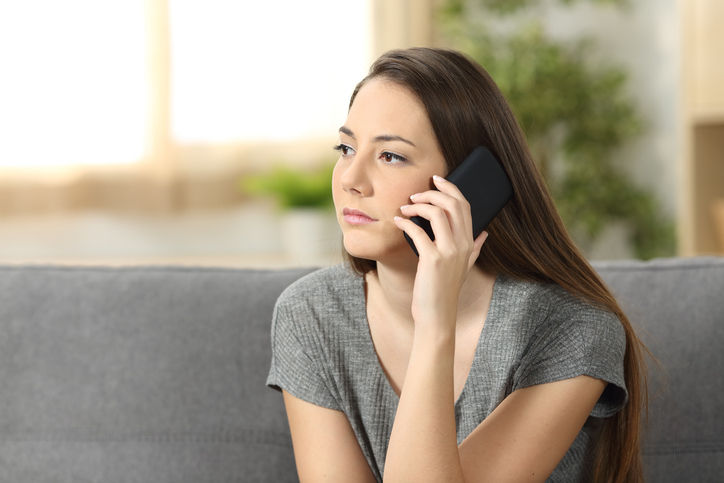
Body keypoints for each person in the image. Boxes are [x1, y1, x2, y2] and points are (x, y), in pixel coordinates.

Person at [266, 47, 647, 482]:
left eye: (390, 156)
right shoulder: (310, 313)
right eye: (346, 147)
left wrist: (434, 323)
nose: (350, 180)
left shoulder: (572, 329)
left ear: (470, 185)